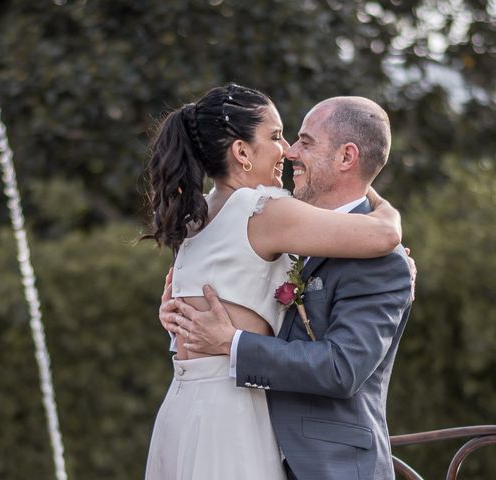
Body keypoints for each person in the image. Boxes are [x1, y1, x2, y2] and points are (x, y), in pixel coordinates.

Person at [142, 84, 403, 480]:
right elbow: (385, 236)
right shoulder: (261, 210)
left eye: (296, 139)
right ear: (241, 152)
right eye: (278, 136)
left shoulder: (195, 218)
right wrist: (385, 209)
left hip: (185, 410)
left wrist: (196, 330)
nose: (288, 151)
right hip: (231, 418)